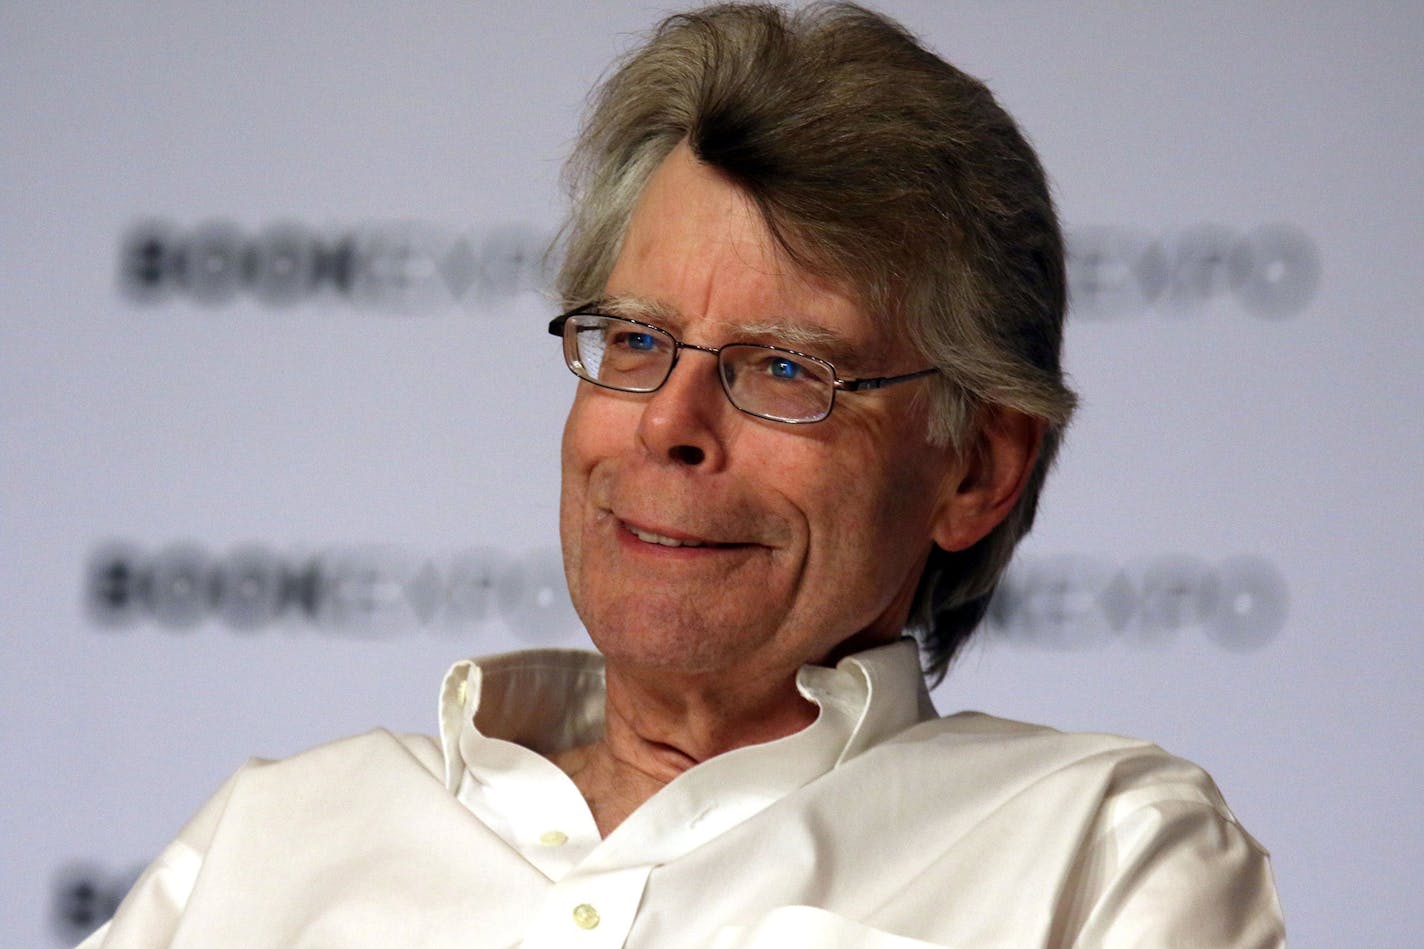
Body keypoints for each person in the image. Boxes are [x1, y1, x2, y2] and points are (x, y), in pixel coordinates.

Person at [82, 4, 1284, 946]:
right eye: (638, 342)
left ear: (975, 469)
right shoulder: (274, 834)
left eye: (782, 368)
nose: (669, 423)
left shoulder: (1095, 851)